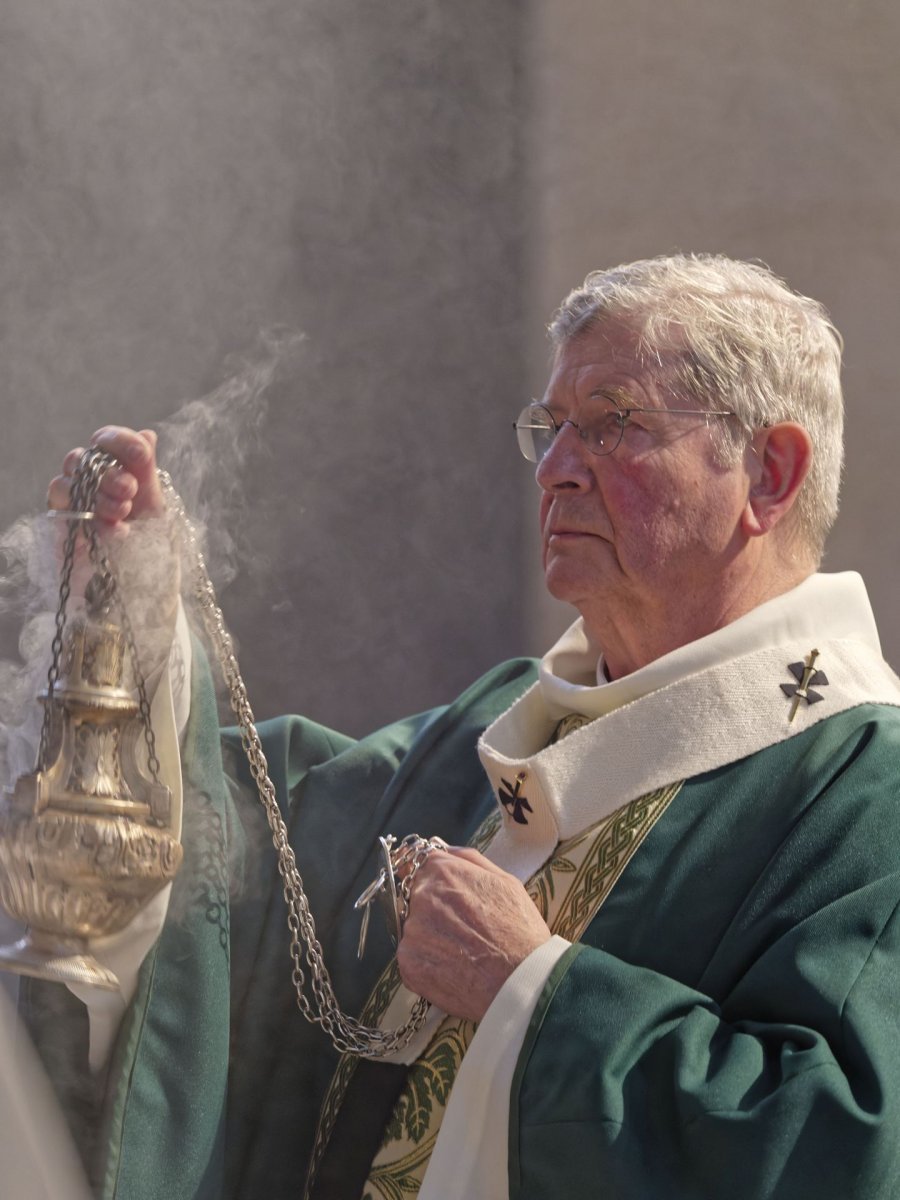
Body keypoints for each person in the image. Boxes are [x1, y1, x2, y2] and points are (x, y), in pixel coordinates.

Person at [26, 253, 900, 1198]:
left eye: (614, 425)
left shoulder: (863, 793)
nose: (558, 471)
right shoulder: (505, 723)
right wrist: (133, 624)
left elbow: (847, 1147)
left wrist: (530, 990)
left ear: (769, 472)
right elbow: (260, 844)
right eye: (552, 429)